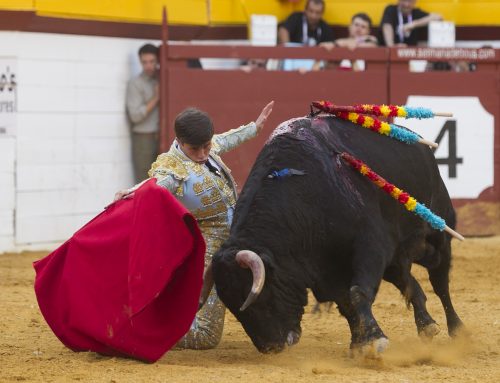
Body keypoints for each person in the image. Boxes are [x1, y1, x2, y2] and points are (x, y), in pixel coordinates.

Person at [114, 101, 274, 350]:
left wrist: (255, 127)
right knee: (206, 335)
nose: (202, 154)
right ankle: (146, 331)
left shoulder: (207, 148)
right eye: (195, 149)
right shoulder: (172, 169)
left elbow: (225, 140)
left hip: (237, 235)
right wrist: (130, 192)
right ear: (179, 141)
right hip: (209, 249)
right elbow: (153, 186)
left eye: (207, 146)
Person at [126, 43, 160, 183]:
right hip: (143, 139)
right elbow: (135, 116)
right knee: (143, 182)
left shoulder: (161, 79)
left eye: (152, 61)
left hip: (161, 137)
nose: (148, 66)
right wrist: (157, 98)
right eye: (144, 62)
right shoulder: (135, 83)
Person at [313, 13, 377, 72]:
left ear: (368, 32)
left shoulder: (371, 43)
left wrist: (336, 44)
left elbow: (372, 43)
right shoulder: (339, 43)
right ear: (349, 27)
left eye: (363, 27)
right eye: (356, 25)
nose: (359, 29)